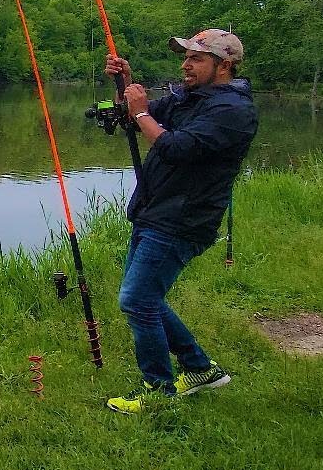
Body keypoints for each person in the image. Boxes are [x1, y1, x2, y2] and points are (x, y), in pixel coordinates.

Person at [102, 29, 258, 415]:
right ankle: (200, 369)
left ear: (224, 65)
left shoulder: (232, 111)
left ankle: (158, 391)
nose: (185, 64)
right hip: (155, 210)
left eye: (196, 58)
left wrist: (140, 112)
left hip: (183, 220)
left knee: (137, 300)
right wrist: (126, 83)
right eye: (185, 57)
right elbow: (140, 116)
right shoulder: (190, 98)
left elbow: (174, 147)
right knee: (145, 298)